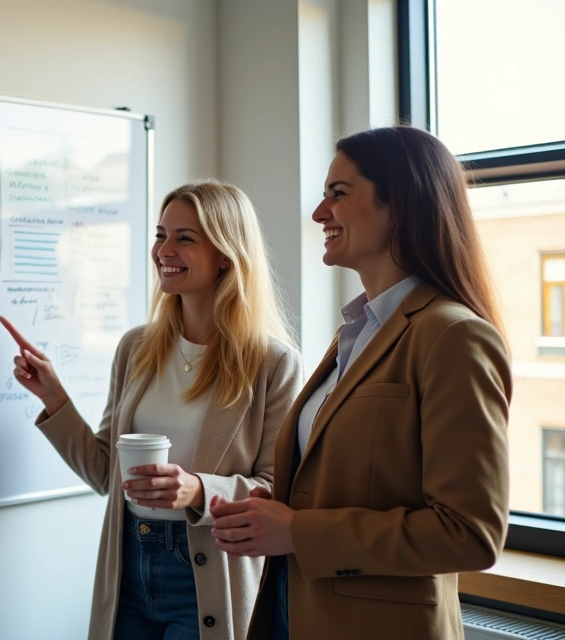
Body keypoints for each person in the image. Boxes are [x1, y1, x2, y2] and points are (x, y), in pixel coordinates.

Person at [209, 126, 511, 640]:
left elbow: (469, 533)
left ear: (404, 203)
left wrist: (296, 531)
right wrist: (269, 514)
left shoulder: (454, 336)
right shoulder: (356, 332)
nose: (318, 213)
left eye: (338, 194)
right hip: (294, 613)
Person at [1, 180, 302, 640]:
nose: (164, 249)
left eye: (185, 238)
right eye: (161, 234)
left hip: (209, 574)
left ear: (226, 253)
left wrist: (197, 489)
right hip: (128, 569)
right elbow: (106, 473)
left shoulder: (273, 363)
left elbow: (276, 490)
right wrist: (54, 398)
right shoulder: (136, 348)